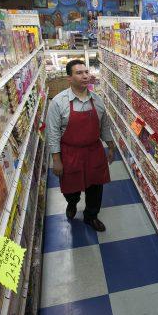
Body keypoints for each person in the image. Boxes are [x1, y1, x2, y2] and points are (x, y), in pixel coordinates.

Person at [46, 59, 115, 232]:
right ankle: (72, 202)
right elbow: (53, 132)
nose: (85, 76)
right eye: (79, 73)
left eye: (86, 72)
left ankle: (91, 216)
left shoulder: (97, 100)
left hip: (94, 151)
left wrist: (111, 146)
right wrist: (56, 159)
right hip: (70, 153)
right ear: (69, 78)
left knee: (95, 188)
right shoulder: (58, 102)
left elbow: (104, 125)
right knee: (71, 188)